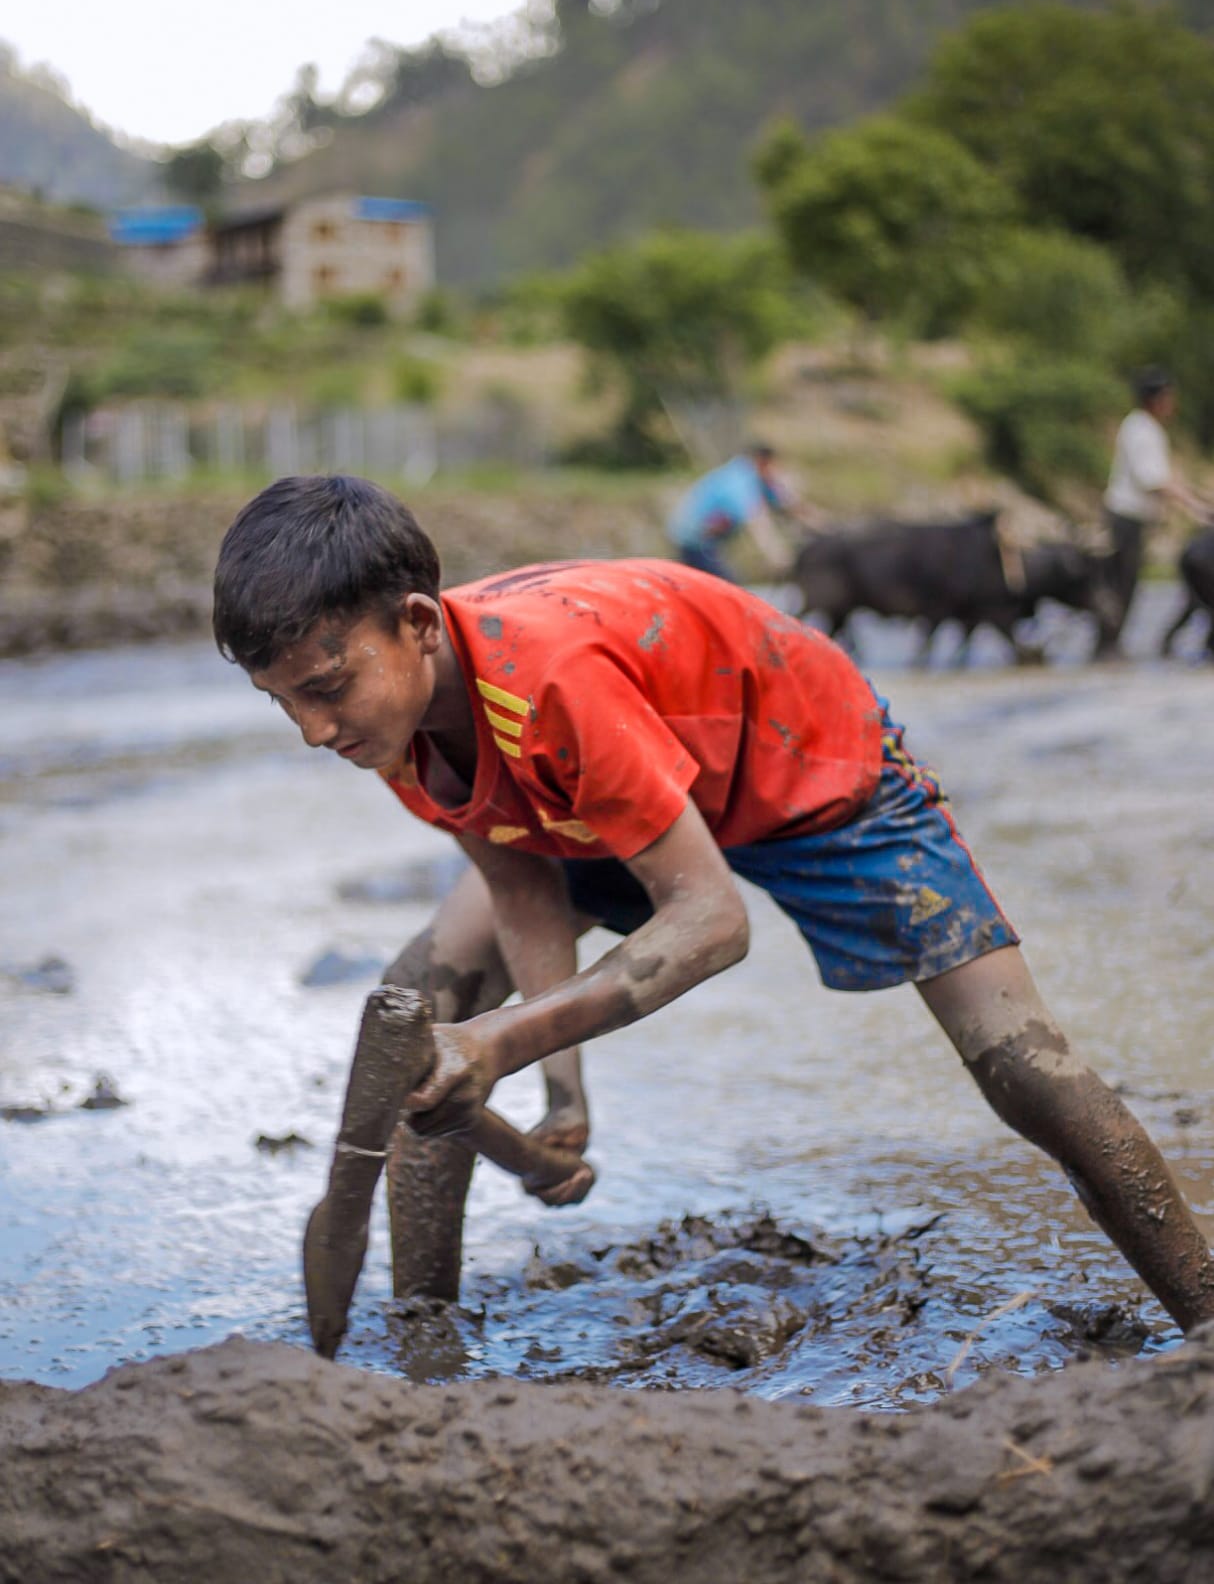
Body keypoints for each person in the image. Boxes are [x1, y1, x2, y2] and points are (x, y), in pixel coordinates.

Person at [213, 474, 1214, 1332]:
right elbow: (521, 879)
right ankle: (419, 1342)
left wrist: (501, 1044)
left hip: (814, 773)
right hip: (615, 796)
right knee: (423, 1006)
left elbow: (710, 920)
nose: (312, 730)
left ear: (418, 625)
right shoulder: (389, 723)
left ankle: (1202, 1307)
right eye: (284, 701)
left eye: (325, 688)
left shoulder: (549, 681)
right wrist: (562, 1094)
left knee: (1022, 1066)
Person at [1096, 367, 1213, 658]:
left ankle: (1111, 649)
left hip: (1132, 517)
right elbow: (1154, 480)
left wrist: (1197, 498)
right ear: (1157, 400)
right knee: (1122, 585)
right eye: (1169, 398)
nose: (1173, 404)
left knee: (1126, 583)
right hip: (1126, 517)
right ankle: (1107, 649)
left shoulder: (1142, 427)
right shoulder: (1142, 430)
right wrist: (1197, 507)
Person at [667, 444, 811, 581]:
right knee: (725, 585)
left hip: (708, 540)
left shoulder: (756, 478)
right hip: (693, 539)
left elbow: (790, 506)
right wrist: (778, 557)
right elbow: (757, 521)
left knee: (717, 584)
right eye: (772, 466)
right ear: (762, 462)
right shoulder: (739, 480)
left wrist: (827, 529)